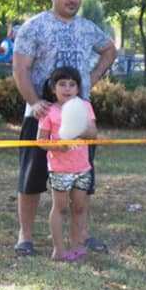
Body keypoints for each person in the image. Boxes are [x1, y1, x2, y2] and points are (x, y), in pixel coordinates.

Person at [12, 0, 117, 257]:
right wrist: (35, 102)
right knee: (32, 178)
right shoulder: (34, 27)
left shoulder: (87, 28)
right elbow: (20, 68)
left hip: (79, 122)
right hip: (42, 116)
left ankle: (80, 237)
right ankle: (26, 236)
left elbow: (109, 50)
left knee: (81, 177)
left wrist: (91, 79)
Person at [35, 67, 98, 261]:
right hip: (60, 169)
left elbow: (93, 134)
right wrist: (57, 146)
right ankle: (59, 249)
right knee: (60, 207)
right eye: (62, 84)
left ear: (78, 88)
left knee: (79, 207)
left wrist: (79, 130)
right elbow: (40, 140)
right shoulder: (49, 112)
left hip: (82, 168)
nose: (68, 88)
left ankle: (77, 246)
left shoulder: (85, 107)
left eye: (72, 84)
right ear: (53, 88)